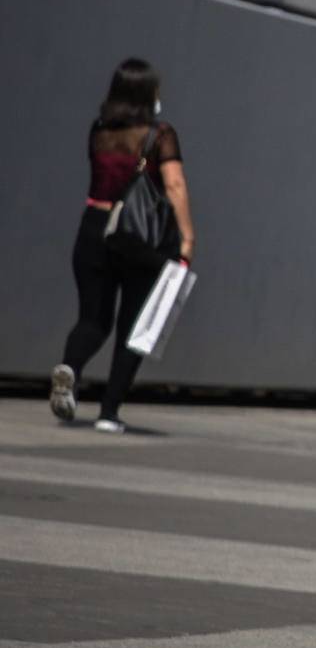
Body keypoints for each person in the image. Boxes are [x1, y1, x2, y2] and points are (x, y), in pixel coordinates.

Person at [51, 58, 197, 433]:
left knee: (93, 319)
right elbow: (175, 185)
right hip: (138, 237)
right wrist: (186, 238)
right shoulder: (160, 135)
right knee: (134, 325)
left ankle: (71, 366)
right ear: (148, 94)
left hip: (93, 227)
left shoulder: (99, 131)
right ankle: (108, 413)